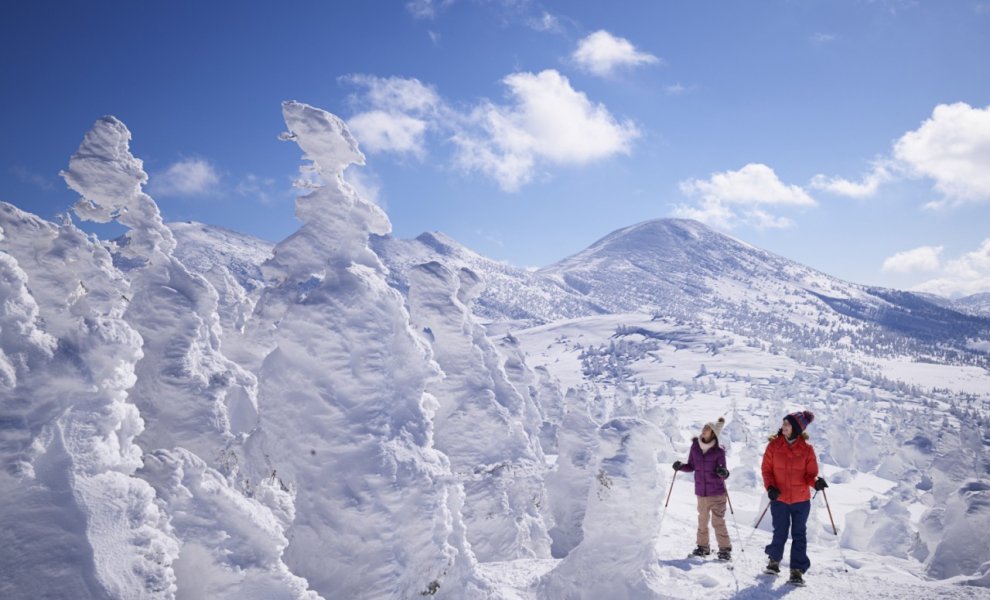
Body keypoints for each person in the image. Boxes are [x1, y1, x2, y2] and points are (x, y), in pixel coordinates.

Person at [761, 410, 828, 586]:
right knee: (780, 532)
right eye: (783, 424)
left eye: (787, 425)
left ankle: (796, 570)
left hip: (801, 500)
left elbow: (810, 475)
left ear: (796, 428)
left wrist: (816, 483)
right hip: (780, 498)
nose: (783, 427)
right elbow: (766, 470)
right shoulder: (774, 446)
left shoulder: (806, 449)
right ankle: (774, 562)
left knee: (799, 534)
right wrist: (770, 487)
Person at [672, 416, 732, 560]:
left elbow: (724, 471)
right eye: (704, 427)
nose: (704, 430)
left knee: (718, 521)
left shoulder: (719, 451)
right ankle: (703, 547)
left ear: (713, 434)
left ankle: (724, 550)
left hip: (717, 493)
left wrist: (723, 473)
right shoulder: (695, 446)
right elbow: (691, 466)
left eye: (708, 428)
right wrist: (680, 466)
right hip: (701, 493)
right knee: (702, 521)